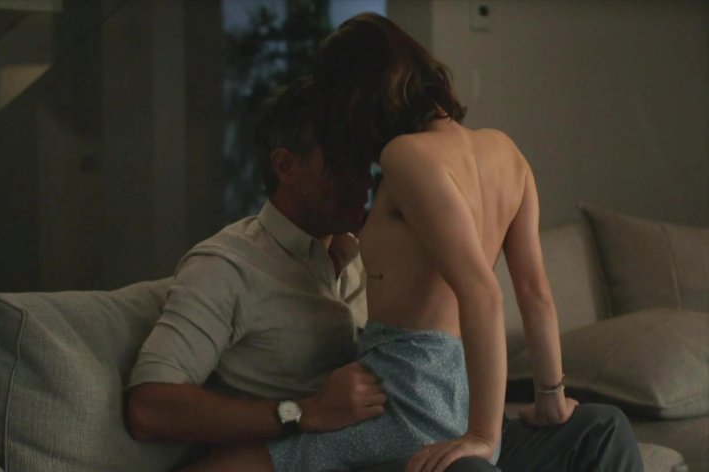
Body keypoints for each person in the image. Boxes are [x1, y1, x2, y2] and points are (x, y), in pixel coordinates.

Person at [181, 13, 643, 472]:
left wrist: (483, 436)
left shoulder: (404, 155)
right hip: (455, 399)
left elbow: (482, 295)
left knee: (253, 462)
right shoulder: (508, 153)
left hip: (403, 405)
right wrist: (551, 397)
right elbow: (535, 292)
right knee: (603, 426)